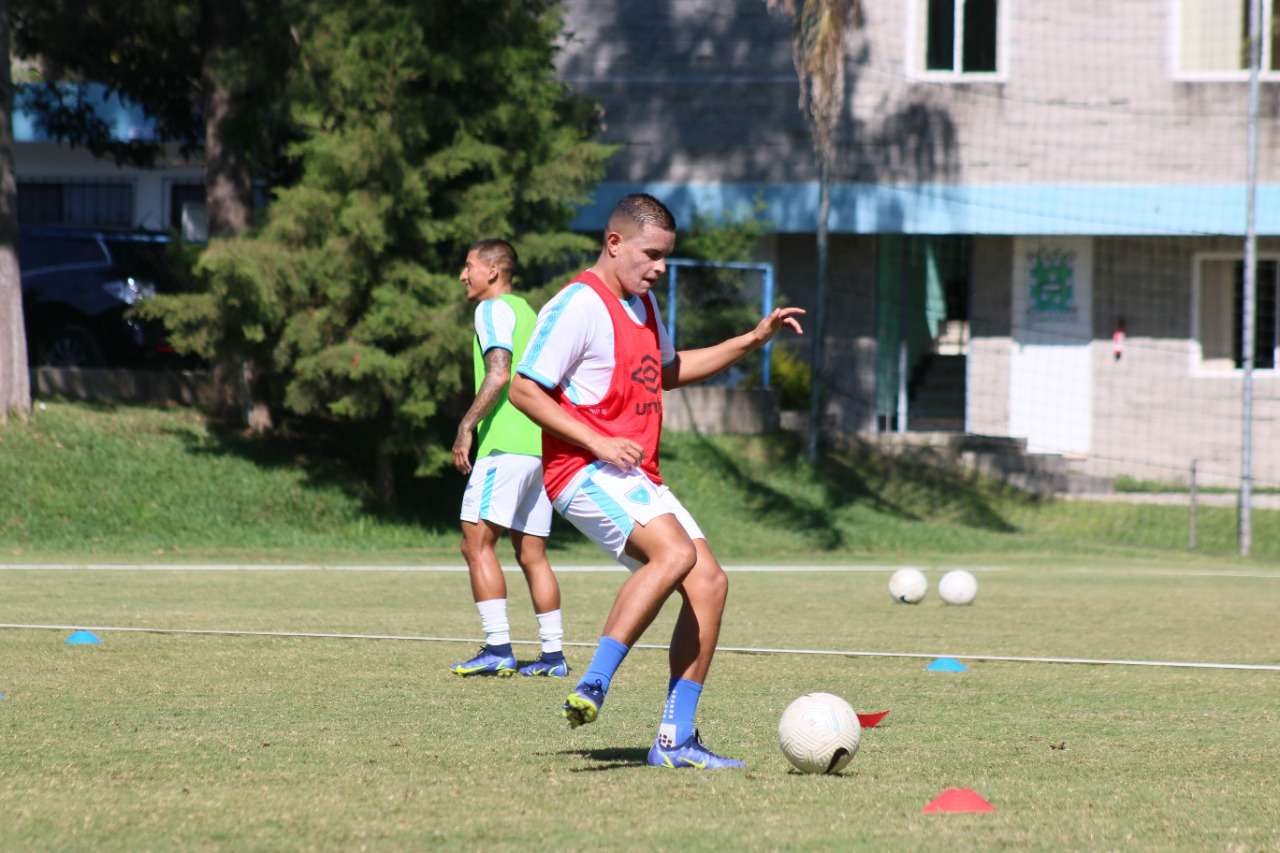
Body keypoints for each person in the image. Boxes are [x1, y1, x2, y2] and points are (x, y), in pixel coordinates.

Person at [509, 194, 804, 769]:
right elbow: (524, 389)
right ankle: (594, 682)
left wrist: (751, 340)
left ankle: (675, 740)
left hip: (632, 473)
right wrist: (597, 441)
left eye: (666, 256)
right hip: (582, 470)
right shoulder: (577, 304)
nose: (661, 268)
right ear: (614, 243)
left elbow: (667, 371)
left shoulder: (643, 304)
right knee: (675, 554)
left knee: (710, 583)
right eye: (652, 255)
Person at [449, 238, 569, 679]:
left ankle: (498, 647)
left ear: (493, 271)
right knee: (532, 553)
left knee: (475, 544)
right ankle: (553, 655)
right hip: (540, 446)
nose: (463, 275)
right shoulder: (528, 313)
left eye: (469, 266)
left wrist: (467, 425)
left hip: (505, 446)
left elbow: (498, 373)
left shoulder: (492, 309)